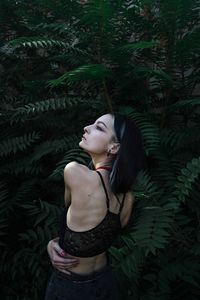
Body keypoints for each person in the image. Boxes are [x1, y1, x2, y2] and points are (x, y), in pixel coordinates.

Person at [45, 113, 144, 300]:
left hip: (70, 287)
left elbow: (71, 222)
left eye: (99, 127)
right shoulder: (127, 198)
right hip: (106, 284)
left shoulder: (75, 173)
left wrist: (52, 244)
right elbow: (90, 235)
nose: (87, 128)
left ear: (114, 147)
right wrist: (56, 243)